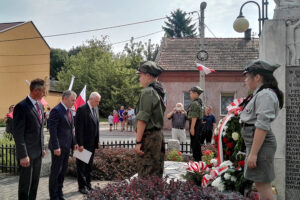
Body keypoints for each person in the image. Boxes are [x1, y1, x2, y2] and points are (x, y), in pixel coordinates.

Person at [240, 60, 283, 200]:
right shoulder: (261, 93)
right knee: (260, 183)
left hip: (260, 145)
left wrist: (253, 154)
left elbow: (262, 126)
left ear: (257, 77)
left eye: (247, 77)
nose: (245, 80)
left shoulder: (265, 95)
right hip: (257, 143)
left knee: (263, 185)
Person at [12, 78, 47, 200]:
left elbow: (40, 129)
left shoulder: (41, 106)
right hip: (27, 155)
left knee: (35, 184)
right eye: (44, 91)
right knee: (25, 185)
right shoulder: (21, 107)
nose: (45, 94)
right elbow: (18, 134)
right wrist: (23, 155)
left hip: (37, 153)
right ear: (36, 90)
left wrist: (42, 147)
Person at [135, 61, 166, 178]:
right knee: (156, 172)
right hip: (157, 136)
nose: (139, 79)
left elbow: (142, 119)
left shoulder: (148, 92)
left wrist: (138, 142)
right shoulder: (159, 90)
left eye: (140, 75)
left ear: (148, 76)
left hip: (148, 137)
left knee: (146, 173)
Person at [48, 90, 78, 200]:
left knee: (62, 172)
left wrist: (74, 143)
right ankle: (53, 195)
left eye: (74, 100)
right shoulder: (56, 110)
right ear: (65, 98)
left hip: (66, 148)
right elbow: (53, 130)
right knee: (56, 172)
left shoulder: (69, 111)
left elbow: (71, 130)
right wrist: (56, 146)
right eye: (72, 100)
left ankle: (60, 193)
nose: (74, 102)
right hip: (58, 148)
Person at [75, 92, 101, 194]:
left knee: (89, 166)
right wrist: (80, 144)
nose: (98, 103)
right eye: (97, 101)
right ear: (91, 99)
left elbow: (96, 126)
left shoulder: (95, 109)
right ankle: (82, 187)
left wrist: (97, 140)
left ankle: (88, 185)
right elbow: (79, 129)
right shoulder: (82, 109)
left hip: (92, 143)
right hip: (83, 144)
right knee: (81, 166)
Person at [187, 86, 204, 162]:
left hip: (195, 125)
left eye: (191, 93)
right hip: (198, 124)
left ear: (196, 93)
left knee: (195, 143)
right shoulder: (199, 102)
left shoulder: (194, 103)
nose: (190, 95)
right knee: (197, 143)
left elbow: (194, 116)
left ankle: (196, 160)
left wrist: (192, 128)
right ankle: (198, 160)